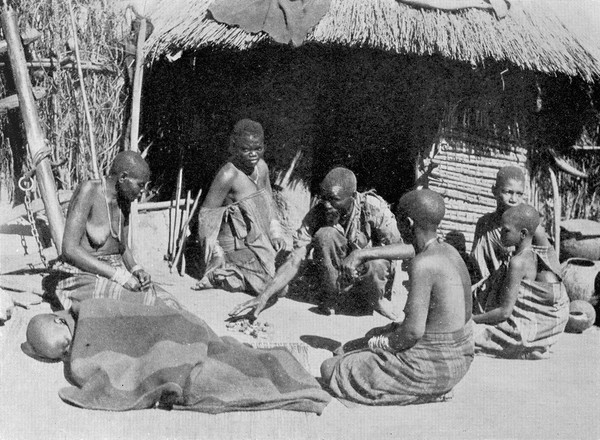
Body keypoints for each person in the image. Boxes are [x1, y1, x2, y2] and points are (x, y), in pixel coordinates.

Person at [21, 299, 331, 414]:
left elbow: (139, 316)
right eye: (60, 355)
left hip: (177, 330)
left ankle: (285, 372)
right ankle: (295, 384)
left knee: (207, 350)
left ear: (60, 320)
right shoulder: (77, 353)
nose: (68, 353)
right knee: (208, 379)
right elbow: (105, 363)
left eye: (65, 344)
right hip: (166, 350)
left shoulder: (89, 310)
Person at [319, 189, 474, 405]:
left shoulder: (423, 265)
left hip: (433, 366)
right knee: (355, 345)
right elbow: (411, 249)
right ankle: (422, 385)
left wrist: (375, 344)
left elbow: (411, 333)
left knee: (330, 368)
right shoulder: (447, 250)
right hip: (460, 357)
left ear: (408, 223)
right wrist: (361, 253)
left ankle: (425, 392)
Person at [230, 167, 408, 320]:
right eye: (324, 198)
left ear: (353, 196)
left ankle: (376, 301)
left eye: (334, 199)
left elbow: (405, 249)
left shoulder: (373, 208)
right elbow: (295, 259)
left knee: (376, 263)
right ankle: (333, 297)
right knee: (325, 235)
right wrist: (265, 295)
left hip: (367, 273)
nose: (327, 205)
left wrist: (360, 254)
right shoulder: (318, 213)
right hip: (341, 275)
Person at [44, 151, 181, 311]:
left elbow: (122, 247)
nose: (143, 192)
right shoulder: (90, 191)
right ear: (123, 178)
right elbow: (69, 249)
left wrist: (136, 269)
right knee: (133, 305)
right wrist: (119, 276)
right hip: (83, 272)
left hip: (116, 270)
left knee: (168, 303)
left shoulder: (125, 200)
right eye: (140, 185)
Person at [195, 119, 285, 295]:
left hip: (258, 241)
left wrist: (275, 232)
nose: (253, 154)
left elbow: (268, 202)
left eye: (258, 148)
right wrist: (217, 254)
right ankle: (222, 274)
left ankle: (236, 275)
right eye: (245, 149)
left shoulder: (262, 168)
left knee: (285, 277)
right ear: (234, 147)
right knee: (271, 286)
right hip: (233, 246)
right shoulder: (229, 174)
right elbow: (206, 217)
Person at [472, 204, 569, 359]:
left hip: (520, 329)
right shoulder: (534, 254)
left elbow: (505, 312)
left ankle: (523, 349)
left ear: (523, 234)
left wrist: (473, 319)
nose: (501, 234)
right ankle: (532, 348)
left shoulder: (517, 263)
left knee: (467, 337)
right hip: (535, 328)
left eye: (506, 230)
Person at [471, 166, 528, 282]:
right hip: (486, 286)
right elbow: (477, 260)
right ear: (494, 190)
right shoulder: (485, 224)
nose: (514, 199)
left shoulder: (525, 225)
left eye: (519, 194)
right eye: (508, 192)